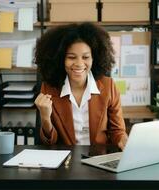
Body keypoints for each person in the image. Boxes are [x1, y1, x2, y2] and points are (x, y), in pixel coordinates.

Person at [34, 22, 128, 150]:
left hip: (98, 159)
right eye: (71, 57)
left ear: (94, 58)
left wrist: (124, 140)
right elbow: (50, 143)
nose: (79, 63)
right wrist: (45, 117)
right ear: (60, 59)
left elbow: (117, 131)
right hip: (67, 162)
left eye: (86, 57)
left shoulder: (109, 86)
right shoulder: (49, 89)